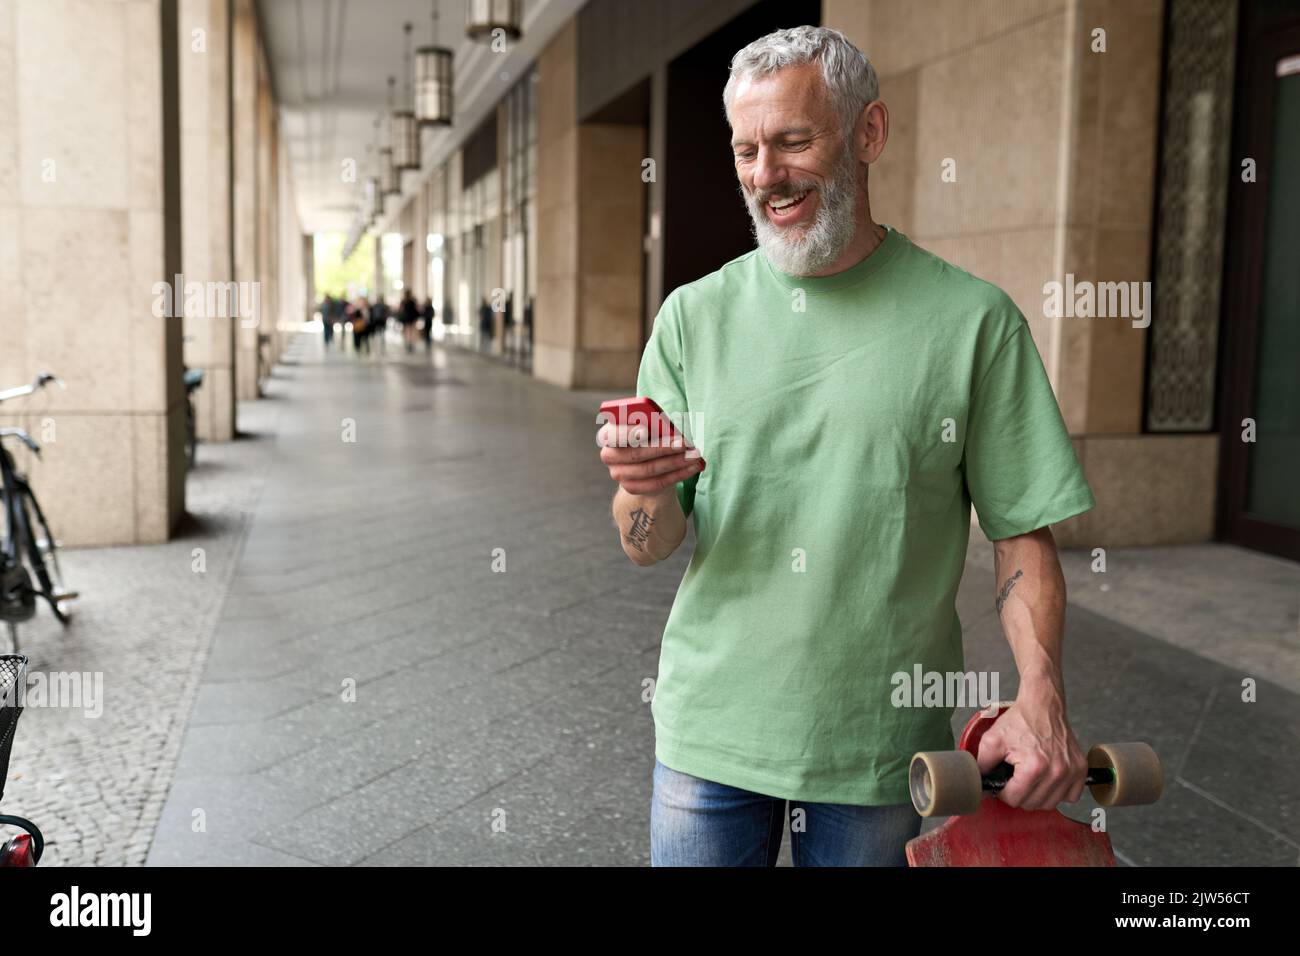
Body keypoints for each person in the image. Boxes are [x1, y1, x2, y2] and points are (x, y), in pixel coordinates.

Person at [596, 26, 1096, 868]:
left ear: (869, 132)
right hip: (710, 733)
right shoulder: (692, 317)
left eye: (793, 141)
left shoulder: (972, 321)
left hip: (879, 746)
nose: (765, 176)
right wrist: (643, 494)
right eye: (746, 150)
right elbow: (647, 546)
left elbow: (1022, 533)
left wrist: (1041, 690)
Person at [400, 289, 419, 353]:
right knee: (410, 332)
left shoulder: (404, 301)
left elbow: (401, 310)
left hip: (406, 319)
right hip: (410, 319)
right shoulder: (412, 301)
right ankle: (409, 343)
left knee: (407, 331)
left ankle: (408, 343)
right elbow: (416, 310)